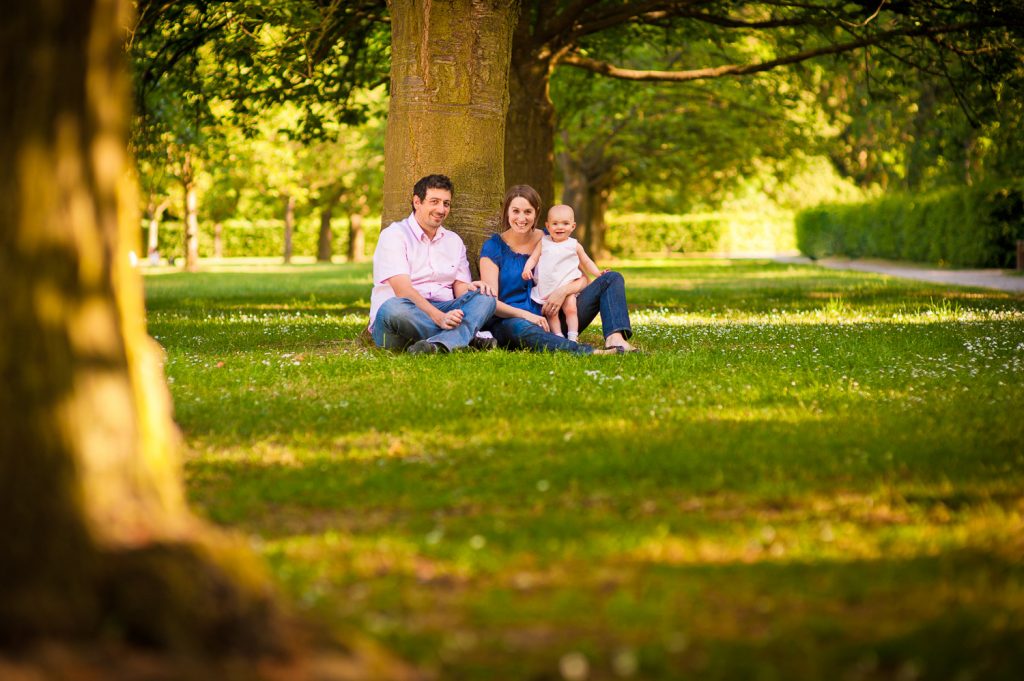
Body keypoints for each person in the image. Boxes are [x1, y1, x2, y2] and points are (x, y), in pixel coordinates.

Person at [479, 185, 639, 354]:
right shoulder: (494, 246)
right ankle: (588, 351)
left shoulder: (552, 238)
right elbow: (491, 303)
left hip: (558, 314)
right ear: (507, 212)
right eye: (516, 211)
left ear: (536, 212)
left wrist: (561, 292)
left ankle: (615, 338)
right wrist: (528, 316)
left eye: (528, 212)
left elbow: (583, 279)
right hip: (514, 322)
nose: (521, 218)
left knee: (611, 278)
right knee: (519, 329)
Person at [368, 174, 497, 354]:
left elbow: (459, 288)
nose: (441, 209)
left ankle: (437, 346)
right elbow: (402, 290)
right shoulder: (394, 235)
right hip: (403, 317)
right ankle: (466, 339)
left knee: (486, 297)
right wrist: (439, 317)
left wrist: (471, 288)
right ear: (417, 202)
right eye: (434, 201)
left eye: (446, 203)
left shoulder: (454, 241)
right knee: (394, 308)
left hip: (444, 309)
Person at [521, 204, 602, 342]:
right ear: (547, 226)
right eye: (555, 223)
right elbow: (534, 258)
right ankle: (558, 336)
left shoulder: (574, 245)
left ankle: (572, 336)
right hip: (547, 287)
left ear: (573, 226)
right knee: (551, 313)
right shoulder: (544, 242)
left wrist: (598, 273)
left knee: (571, 308)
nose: (560, 227)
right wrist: (527, 268)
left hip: (567, 285)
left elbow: (587, 262)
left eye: (565, 223)